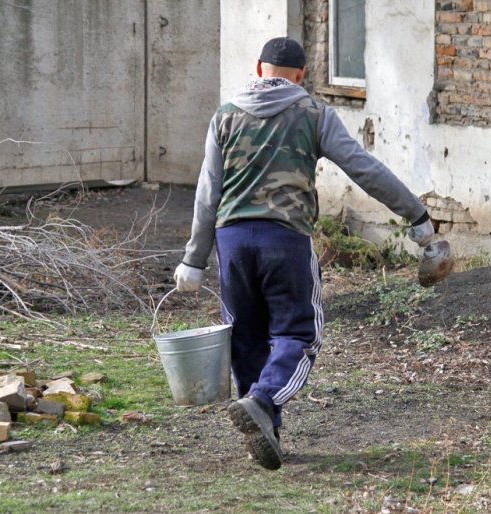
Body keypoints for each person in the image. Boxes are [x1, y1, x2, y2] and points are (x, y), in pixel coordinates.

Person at [174, 36, 434, 470]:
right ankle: (262, 400)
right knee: (299, 335)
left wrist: (194, 258)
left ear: (259, 69)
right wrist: (417, 214)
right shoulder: (314, 113)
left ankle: (266, 431)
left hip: (232, 243)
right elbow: (364, 169)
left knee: (245, 338)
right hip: (285, 241)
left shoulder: (225, 116)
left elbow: (207, 194)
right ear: (301, 75)